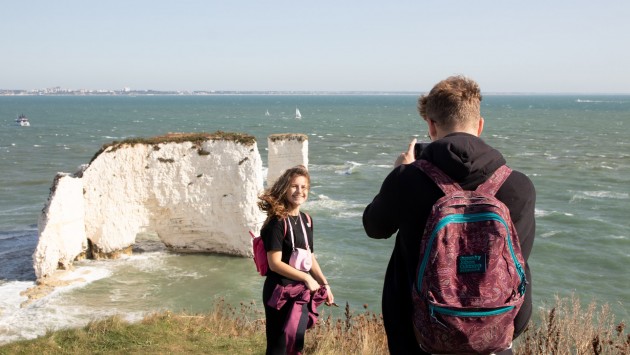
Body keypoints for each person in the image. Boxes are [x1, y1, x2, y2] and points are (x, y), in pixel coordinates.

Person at [363, 75, 536, 354]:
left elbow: (374, 226)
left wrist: (398, 172)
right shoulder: (518, 185)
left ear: (430, 125)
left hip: (420, 335)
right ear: (479, 125)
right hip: (494, 334)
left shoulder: (407, 179)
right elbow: (520, 257)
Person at [258, 165, 335, 354]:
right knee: (278, 347)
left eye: (304, 187)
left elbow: (309, 256)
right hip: (279, 292)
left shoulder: (306, 220)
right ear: (285, 188)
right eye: (294, 186)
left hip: (300, 293)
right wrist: (307, 278)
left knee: (296, 344)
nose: (299, 191)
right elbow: (274, 263)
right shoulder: (277, 222)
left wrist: (324, 283)